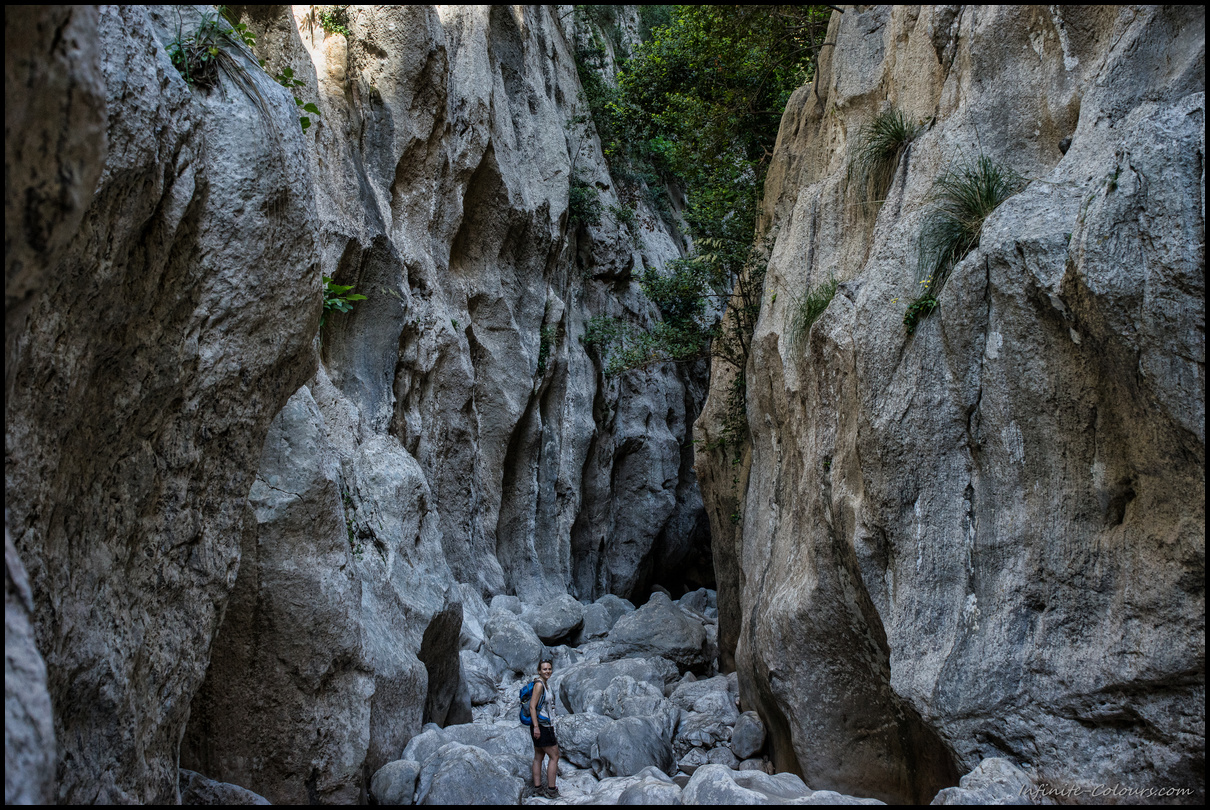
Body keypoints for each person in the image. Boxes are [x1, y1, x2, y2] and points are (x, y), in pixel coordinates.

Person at [529, 659, 559, 798]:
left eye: (549, 669)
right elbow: (532, 707)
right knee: (554, 756)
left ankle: (538, 788)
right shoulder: (539, 685)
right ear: (539, 671)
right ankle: (551, 790)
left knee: (539, 756)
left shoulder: (544, 684)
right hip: (542, 726)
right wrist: (536, 727)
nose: (547, 671)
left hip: (542, 725)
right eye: (545, 669)